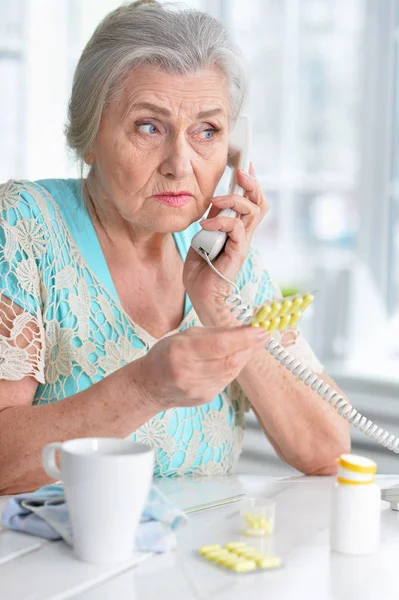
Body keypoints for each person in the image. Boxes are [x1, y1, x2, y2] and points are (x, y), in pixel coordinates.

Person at [0, 0, 349, 494]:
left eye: (207, 131)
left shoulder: (223, 251)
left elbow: (328, 450)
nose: (180, 164)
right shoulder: (22, 225)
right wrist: (144, 387)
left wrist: (221, 307)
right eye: (149, 126)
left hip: (194, 565)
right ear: (88, 135)